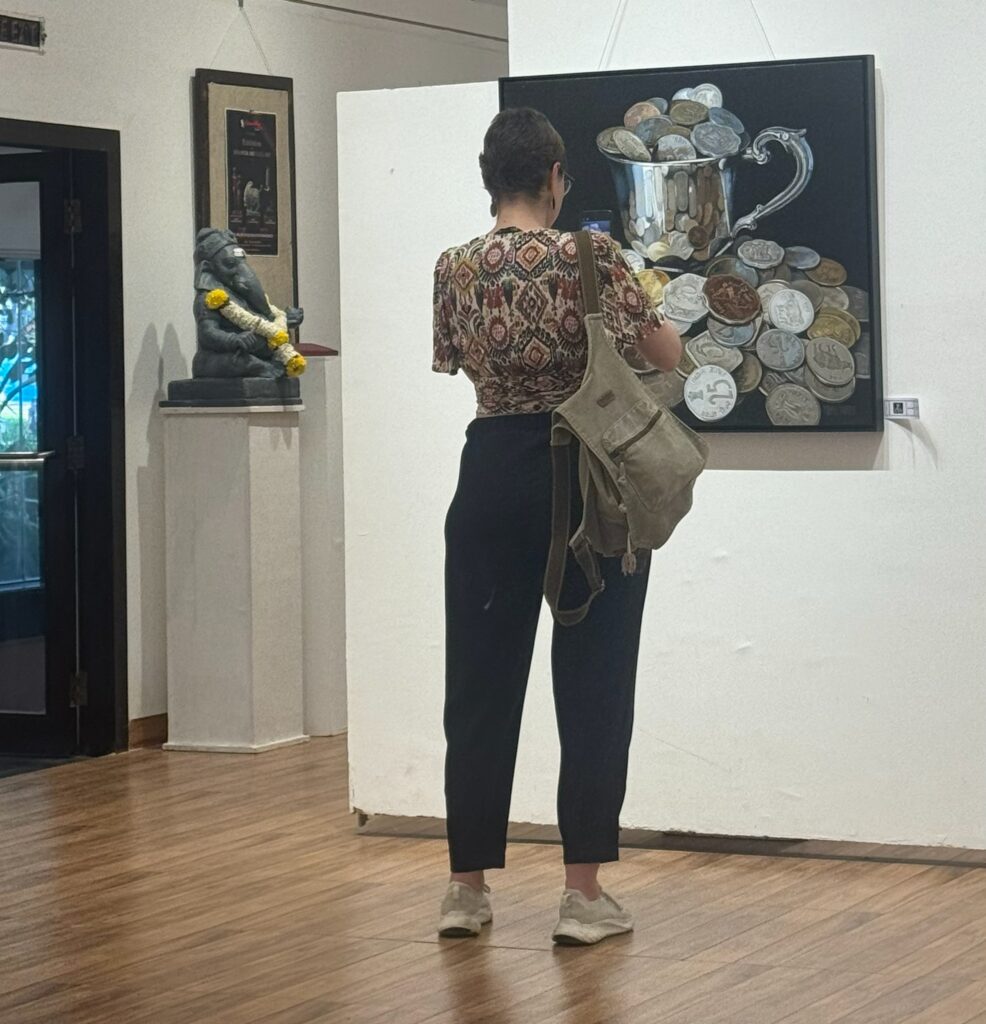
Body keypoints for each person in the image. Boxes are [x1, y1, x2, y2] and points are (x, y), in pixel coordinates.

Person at [432, 108, 682, 946]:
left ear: (489, 179)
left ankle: (465, 890)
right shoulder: (592, 256)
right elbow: (664, 355)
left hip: (489, 474)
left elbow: (454, 361)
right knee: (595, 680)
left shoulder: (454, 267)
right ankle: (582, 895)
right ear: (554, 177)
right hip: (587, 479)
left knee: (478, 685)